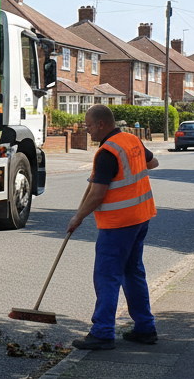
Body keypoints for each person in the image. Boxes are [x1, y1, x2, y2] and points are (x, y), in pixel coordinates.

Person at [65, 104, 160, 350]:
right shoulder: (131, 140)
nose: (86, 131)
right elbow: (154, 163)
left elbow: (97, 196)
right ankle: (145, 328)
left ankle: (103, 331)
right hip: (141, 218)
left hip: (119, 224)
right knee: (133, 272)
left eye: (88, 126)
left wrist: (77, 218)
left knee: (107, 276)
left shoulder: (107, 153)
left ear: (101, 124)